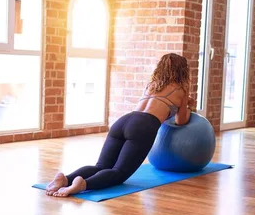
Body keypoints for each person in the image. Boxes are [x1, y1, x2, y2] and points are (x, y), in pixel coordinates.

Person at [45, 53, 194, 197]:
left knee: (101, 166)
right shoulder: (181, 89)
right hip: (144, 126)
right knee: (119, 172)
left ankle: (66, 179)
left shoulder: (152, 85)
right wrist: (187, 105)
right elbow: (181, 121)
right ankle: (83, 185)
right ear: (183, 71)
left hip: (124, 121)